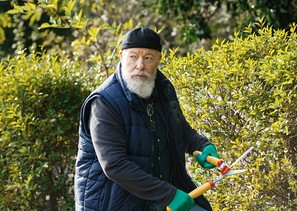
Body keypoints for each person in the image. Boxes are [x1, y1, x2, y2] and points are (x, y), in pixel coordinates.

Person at [74, 26, 220, 211]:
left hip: (157, 199)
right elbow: (114, 165)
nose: (140, 65)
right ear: (121, 57)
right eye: (133, 57)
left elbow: (181, 130)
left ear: (159, 60)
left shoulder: (164, 89)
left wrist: (202, 146)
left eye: (148, 58)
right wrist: (169, 194)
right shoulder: (104, 103)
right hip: (114, 203)